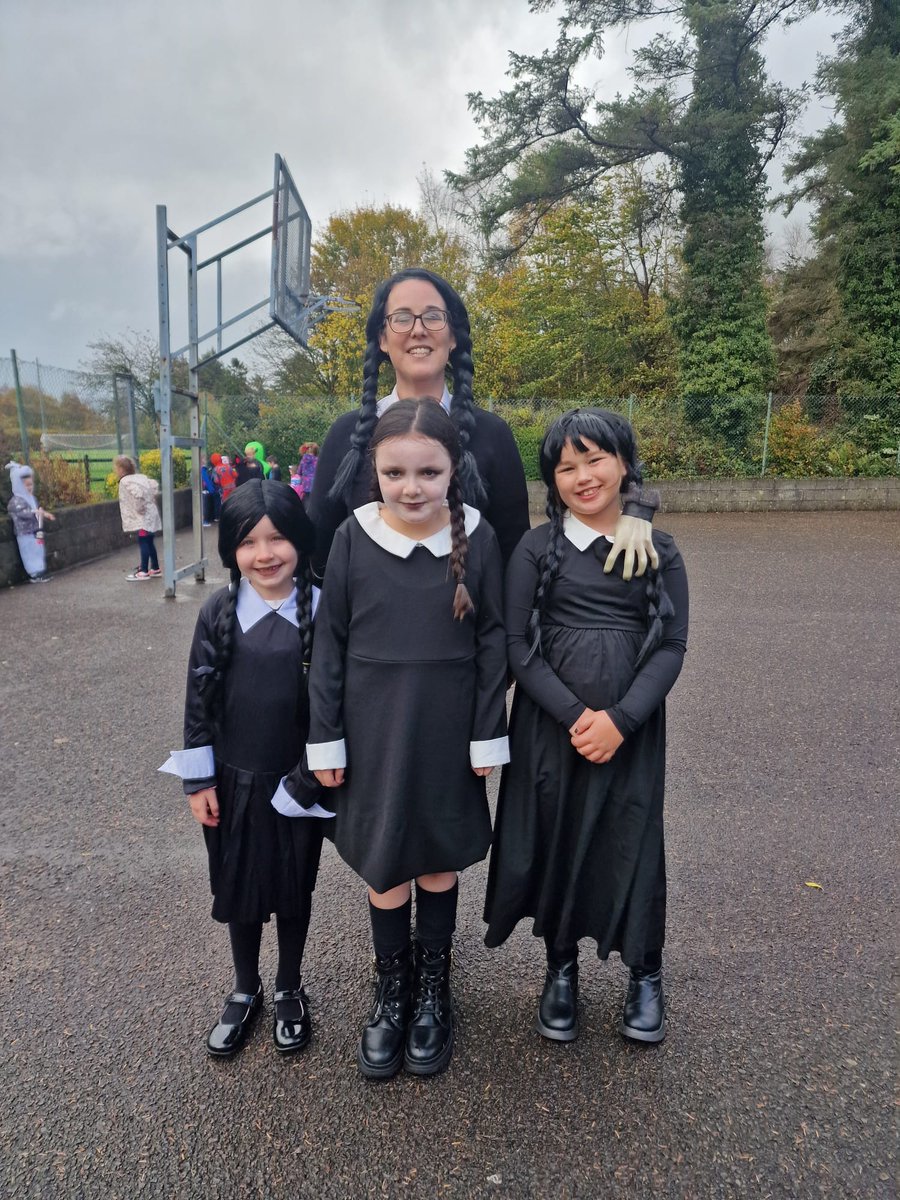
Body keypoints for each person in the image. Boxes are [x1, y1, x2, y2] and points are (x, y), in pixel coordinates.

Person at [306, 400, 509, 1079]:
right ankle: (392, 994)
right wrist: (325, 740)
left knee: (436, 859)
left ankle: (432, 992)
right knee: (386, 862)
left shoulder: (477, 538)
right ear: (375, 470)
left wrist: (488, 735)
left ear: (454, 471)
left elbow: (493, 643)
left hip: (448, 730)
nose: (411, 486)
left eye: (429, 471)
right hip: (371, 730)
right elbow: (328, 644)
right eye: (395, 472)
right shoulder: (351, 538)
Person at [483, 408, 689, 1046]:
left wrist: (621, 721)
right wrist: (578, 717)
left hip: (631, 732)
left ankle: (644, 972)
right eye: (566, 467)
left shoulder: (656, 547)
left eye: (595, 459)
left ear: (624, 463)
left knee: (631, 839)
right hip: (551, 730)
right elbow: (517, 646)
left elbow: (672, 645)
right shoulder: (536, 548)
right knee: (557, 838)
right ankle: (561, 968)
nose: (582, 476)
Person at [307, 267, 657, 581]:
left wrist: (635, 510)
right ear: (382, 338)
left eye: (433, 316)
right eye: (401, 318)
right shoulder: (347, 436)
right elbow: (319, 558)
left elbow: (520, 549)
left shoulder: (492, 435)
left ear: (454, 336)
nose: (418, 330)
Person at [159, 480, 331, 1058]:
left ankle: (288, 986)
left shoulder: (323, 608)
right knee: (238, 885)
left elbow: (339, 703)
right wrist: (198, 780)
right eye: (249, 541)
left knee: (293, 888)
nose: (265, 554)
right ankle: (244, 987)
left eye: (278, 537)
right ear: (231, 548)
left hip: (298, 783)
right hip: (231, 782)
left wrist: (312, 775)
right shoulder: (219, 611)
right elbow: (197, 702)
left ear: (300, 541)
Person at [113, 455, 162, 581]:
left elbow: (138, 495)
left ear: (122, 469)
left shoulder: (125, 481)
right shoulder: (141, 477)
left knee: (143, 541)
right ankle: (155, 568)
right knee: (149, 540)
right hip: (151, 513)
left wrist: (140, 509)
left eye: (116, 468)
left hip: (143, 516)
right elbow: (154, 487)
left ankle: (144, 570)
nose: (115, 471)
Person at [6, 461, 55, 583]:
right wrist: (40, 513)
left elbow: (36, 510)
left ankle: (40, 570)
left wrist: (42, 514)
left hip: (35, 530)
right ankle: (34, 573)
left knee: (38, 550)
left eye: (31, 485)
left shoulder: (32, 499)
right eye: (26, 485)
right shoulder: (16, 501)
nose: (29, 488)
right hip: (25, 533)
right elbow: (25, 513)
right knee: (29, 552)